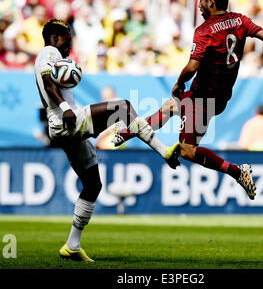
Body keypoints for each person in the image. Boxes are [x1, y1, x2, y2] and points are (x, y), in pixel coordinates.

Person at [112, 0, 263, 200]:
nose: (198, 4)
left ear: (211, 2)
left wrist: (179, 83)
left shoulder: (204, 31)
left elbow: (192, 66)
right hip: (218, 96)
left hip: (203, 98)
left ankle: (238, 171)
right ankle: (126, 133)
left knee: (187, 150)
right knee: (170, 107)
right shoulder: (241, 20)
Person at [34, 19, 181, 262]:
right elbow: (49, 81)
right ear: (56, 37)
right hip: (65, 120)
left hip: (64, 126)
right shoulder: (48, 52)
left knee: (93, 185)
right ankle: (164, 150)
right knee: (122, 107)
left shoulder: (53, 58)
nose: (69, 46)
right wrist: (64, 107)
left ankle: (72, 245)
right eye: (68, 40)